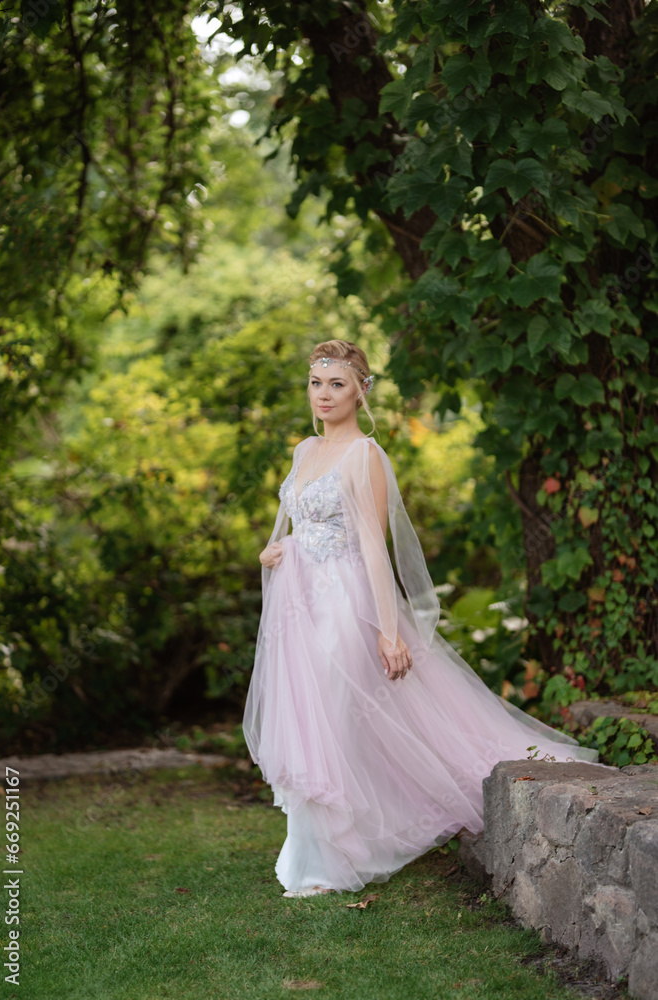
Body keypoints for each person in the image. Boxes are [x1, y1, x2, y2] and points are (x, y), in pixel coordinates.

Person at [243, 339, 610, 899]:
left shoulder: (364, 455)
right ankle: (313, 851)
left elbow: (371, 543)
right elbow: (300, 522)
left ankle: (330, 860)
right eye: (316, 383)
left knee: (335, 721)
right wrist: (278, 551)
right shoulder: (302, 450)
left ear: (361, 390)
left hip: (346, 602)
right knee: (307, 718)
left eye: (337, 384)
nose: (324, 394)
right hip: (299, 606)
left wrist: (389, 631)